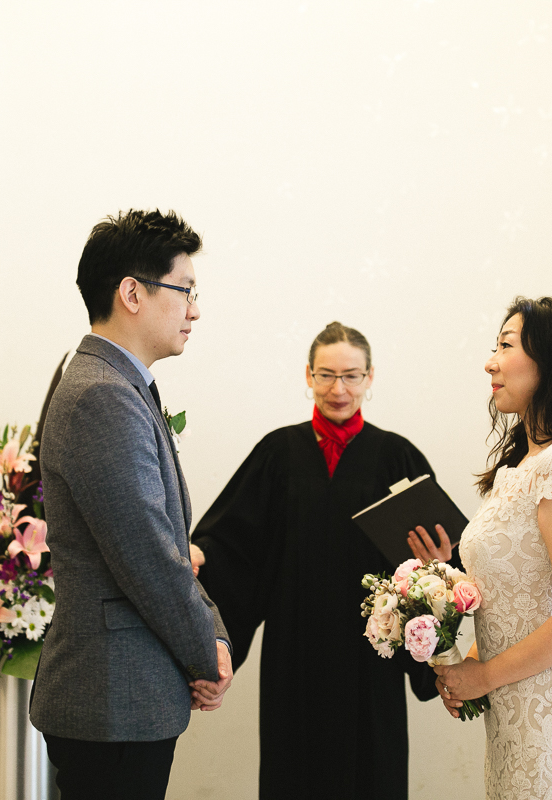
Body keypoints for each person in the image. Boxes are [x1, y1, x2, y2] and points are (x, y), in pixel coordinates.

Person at [189, 321, 446, 800]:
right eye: (326, 375)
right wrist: (201, 551)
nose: (338, 388)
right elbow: (234, 542)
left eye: (350, 376)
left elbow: (438, 557)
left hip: (374, 655)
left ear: (371, 378)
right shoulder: (277, 453)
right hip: (296, 653)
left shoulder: (397, 457)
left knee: (373, 772)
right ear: (308, 375)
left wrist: (439, 563)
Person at [29, 209, 233, 800]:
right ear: (132, 293)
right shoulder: (101, 397)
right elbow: (146, 557)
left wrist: (212, 637)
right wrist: (207, 655)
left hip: (126, 695)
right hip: (111, 698)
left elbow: (169, 544)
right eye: (186, 290)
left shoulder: (123, 386)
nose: (195, 309)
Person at [412, 296, 552, 800]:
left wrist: (483, 675)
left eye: (505, 346)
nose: (490, 361)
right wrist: (465, 668)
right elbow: (515, 600)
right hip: (515, 722)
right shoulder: (517, 471)